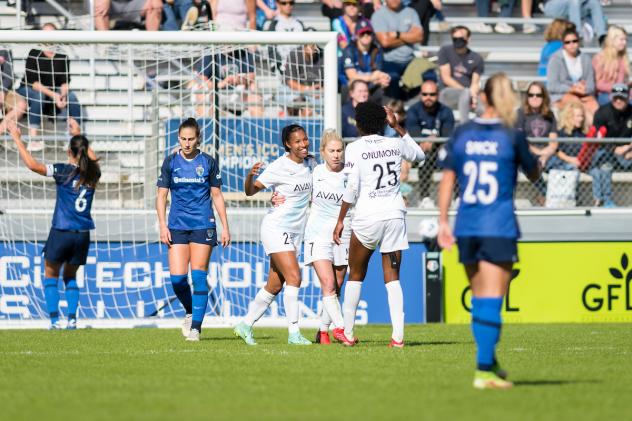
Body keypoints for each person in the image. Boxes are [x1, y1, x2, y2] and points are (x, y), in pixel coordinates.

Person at [437, 73, 541, 389]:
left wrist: (443, 221)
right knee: (491, 299)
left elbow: (447, 178)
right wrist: (535, 162)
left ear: (482, 98)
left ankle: (490, 363)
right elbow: (534, 173)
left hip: (467, 225)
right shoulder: (512, 134)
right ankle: (483, 370)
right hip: (498, 225)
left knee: (481, 297)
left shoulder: (463, 132)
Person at [333, 102, 426, 348]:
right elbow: (420, 155)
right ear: (384, 121)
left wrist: (341, 219)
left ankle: (349, 334)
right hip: (394, 215)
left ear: (360, 123)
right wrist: (398, 127)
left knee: (356, 274)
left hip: (367, 217)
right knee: (393, 277)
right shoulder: (395, 143)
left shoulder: (353, 148)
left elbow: (352, 188)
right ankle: (398, 337)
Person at [8, 120, 100, 330]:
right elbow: (92, 159)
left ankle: (55, 321)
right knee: (71, 276)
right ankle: (72, 320)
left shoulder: (63, 170)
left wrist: (17, 139)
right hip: (82, 234)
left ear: (69, 151)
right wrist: (79, 134)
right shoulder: (94, 174)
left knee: (51, 275)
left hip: (61, 230)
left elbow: (32, 165)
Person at [234, 124, 316, 345]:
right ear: (288, 144)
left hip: (295, 231)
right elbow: (250, 192)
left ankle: (245, 324)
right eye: (297, 141)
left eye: (305, 140)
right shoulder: (279, 166)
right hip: (276, 227)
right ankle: (294, 333)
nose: (303, 144)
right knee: (295, 277)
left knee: (275, 285)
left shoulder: (311, 163)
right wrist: (250, 177)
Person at [272, 130, 351, 344]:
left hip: (344, 234)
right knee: (328, 283)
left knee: (338, 283)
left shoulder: (350, 173)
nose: (336, 155)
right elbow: (293, 187)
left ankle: (323, 331)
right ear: (323, 152)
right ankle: (342, 330)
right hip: (317, 233)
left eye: (339, 150)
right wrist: (277, 197)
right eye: (331, 151)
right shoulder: (314, 172)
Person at [156, 118, 231, 341]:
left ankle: (196, 328)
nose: (187, 143)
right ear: (178, 138)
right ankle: (190, 311)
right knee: (178, 279)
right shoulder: (170, 162)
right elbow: (161, 196)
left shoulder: (208, 162)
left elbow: (217, 195)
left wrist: (225, 227)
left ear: (198, 139)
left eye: (191, 139)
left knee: (199, 276)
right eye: (183, 139)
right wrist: (162, 224)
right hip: (177, 225)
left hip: (203, 224)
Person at [16, 23, 83, 150]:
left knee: (72, 97)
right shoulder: (34, 53)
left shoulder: (62, 56)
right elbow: (34, 83)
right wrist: (55, 96)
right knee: (39, 95)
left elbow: (64, 81)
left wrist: (62, 95)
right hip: (28, 89)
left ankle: (74, 138)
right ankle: (33, 140)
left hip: (53, 92)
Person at [406, 79, 455, 205]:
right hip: (417, 153)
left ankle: (458, 198)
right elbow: (414, 137)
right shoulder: (413, 110)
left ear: (438, 95)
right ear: (420, 95)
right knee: (424, 157)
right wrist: (430, 139)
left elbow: (447, 137)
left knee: (455, 157)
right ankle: (424, 198)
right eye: (425, 94)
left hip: (439, 152)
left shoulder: (446, 112)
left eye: (432, 94)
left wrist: (434, 139)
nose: (428, 97)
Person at [589, 83, 632, 207]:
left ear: (628, 97)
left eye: (622, 98)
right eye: (616, 98)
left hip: (628, 153)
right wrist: (614, 149)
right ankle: (606, 200)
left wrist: (629, 148)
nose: (618, 101)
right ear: (611, 97)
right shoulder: (602, 112)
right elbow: (597, 140)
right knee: (604, 165)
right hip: (607, 152)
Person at [371, 0, 423, 100]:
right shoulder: (379, 15)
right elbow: (385, 42)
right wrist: (409, 37)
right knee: (391, 78)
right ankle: (396, 109)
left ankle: (411, 106)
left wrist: (398, 34)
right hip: (389, 60)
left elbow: (419, 37)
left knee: (429, 75)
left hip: (410, 59)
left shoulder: (411, 12)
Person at [547, 28, 598, 125]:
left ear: (579, 42)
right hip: (561, 95)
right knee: (577, 104)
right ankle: (591, 134)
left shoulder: (585, 59)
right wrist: (571, 89)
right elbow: (552, 86)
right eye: (568, 42)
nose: (571, 44)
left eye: (574, 41)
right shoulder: (556, 59)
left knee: (593, 105)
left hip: (583, 94)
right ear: (563, 44)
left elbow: (591, 86)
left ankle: (599, 133)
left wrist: (583, 90)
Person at [438, 25, 484, 124]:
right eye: (455, 38)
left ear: (468, 39)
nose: (458, 41)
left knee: (482, 104)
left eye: (461, 38)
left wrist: (473, 96)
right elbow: (446, 78)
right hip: (448, 93)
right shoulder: (445, 51)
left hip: (468, 95)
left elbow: (475, 83)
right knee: (465, 94)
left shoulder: (476, 58)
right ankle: (464, 126)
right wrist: (467, 92)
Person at [340, 19, 390, 99]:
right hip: (349, 86)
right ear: (356, 35)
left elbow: (378, 73)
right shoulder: (349, 49)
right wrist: (371, 77)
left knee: (385, 87)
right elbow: (352, 76)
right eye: (362, 33)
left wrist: (382, 79)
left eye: (368, 33)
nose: (366, 35)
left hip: (369, 85)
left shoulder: (377, 49)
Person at [592, 25, 630, 105]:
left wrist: (621, 89)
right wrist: (616, 88)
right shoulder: (599, 58)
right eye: (621, 40)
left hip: (619, 91)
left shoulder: (622, 58)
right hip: (603, 94)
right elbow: (597, 84)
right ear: (613, 40)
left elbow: (620, 81)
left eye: (625, 40)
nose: (624, 43)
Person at [543, 0, 607, 43]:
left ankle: (602, 36)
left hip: (572, 6)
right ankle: (576, 34)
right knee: (574, 1)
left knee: (594, 2)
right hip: (552, 6)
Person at [0, 48, 26, 134]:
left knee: (21, 104)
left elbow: (9, 75)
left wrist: (3, 90)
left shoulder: (4, 49)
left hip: (3, 90)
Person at [94, 0, 163, 30]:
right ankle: (104, 48)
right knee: (99, 3)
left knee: (156, 5)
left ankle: (151, 48)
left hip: (135, 4)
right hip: (111, 5)